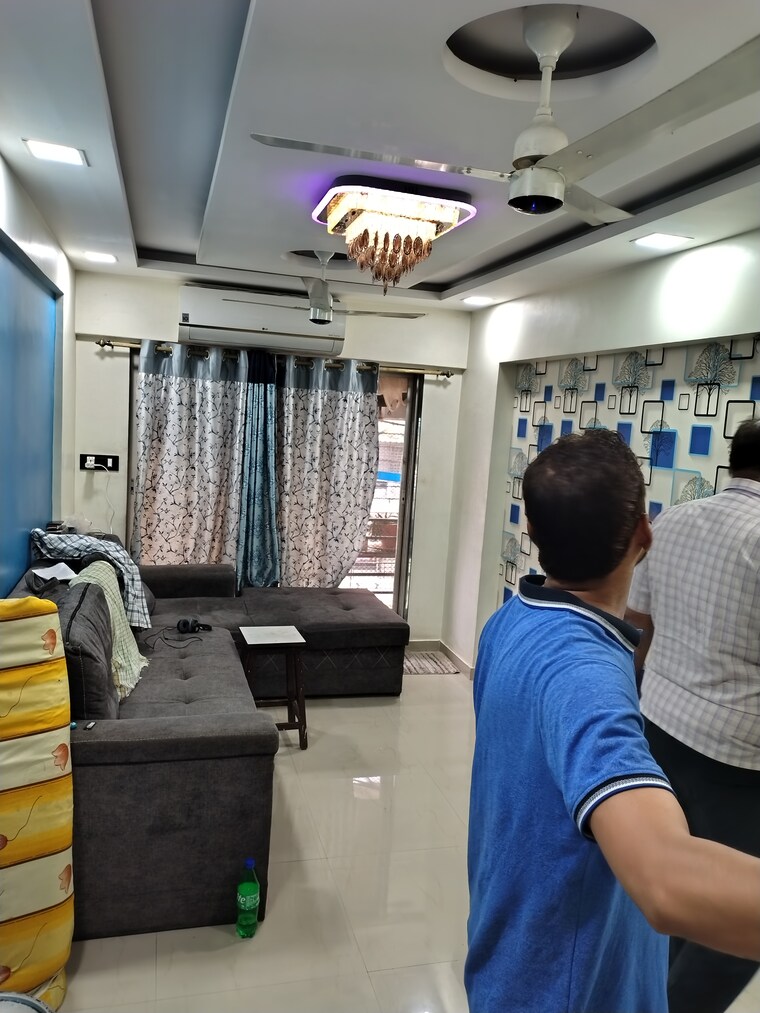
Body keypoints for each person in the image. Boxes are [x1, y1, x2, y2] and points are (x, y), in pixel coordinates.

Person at [465, 429, 760, 1013]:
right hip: (564, 988)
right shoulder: (585, 676)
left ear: (532, 532)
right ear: (643, 535)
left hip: (515, 946)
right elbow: (667, 880)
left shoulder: (510, 619)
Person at [626, 417, 760, 1013]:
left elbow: (639, 627)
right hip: (737, 759)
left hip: (658, 726)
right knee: (734, 919)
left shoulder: (673, 521)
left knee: (676, 880)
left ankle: (643, 995)